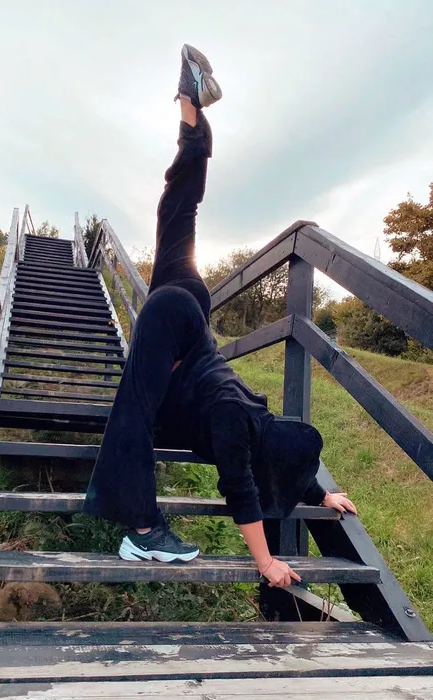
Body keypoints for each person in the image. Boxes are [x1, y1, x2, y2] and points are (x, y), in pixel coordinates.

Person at [83, 44, 357, 589]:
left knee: (178, 211)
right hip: (180, 323)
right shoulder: (236, 420)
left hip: (188, 313)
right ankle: (142, 529)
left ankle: (190, 107)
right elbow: (241, 487)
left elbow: (272, 459)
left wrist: (321, 493)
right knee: (134, 404)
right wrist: (266, 563)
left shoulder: (252, 416)